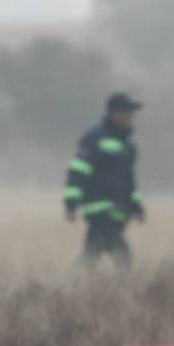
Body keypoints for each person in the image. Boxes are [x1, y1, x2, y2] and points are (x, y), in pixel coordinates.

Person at [63, 93, 145, 268]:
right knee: (123, 258)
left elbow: (129, 180)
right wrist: (71, 203)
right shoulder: (94, 138)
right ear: (113, 113)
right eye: (126, 111)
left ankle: (69, 286)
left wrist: (136, 206)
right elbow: (78, 171)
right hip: (100, 210)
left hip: (118, 214)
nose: (130, 116)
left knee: (90, 257)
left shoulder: (128, 146)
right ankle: (124, 292)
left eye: (131, 112)